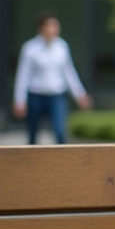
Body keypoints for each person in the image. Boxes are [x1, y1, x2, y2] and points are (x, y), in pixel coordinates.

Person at [12, 12, 92, 144]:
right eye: (51, 25)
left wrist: (80, 95)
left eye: (56, 25)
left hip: (57, 96)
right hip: (36, 96)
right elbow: (23, 75)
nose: (54, 29)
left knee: (60, 132)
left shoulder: (62, 46)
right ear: (41, 28)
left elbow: (69, 72)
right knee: (32, 135)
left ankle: (61, 164)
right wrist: (20, 100)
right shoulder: (30, 48)